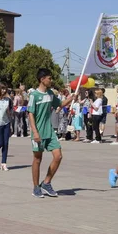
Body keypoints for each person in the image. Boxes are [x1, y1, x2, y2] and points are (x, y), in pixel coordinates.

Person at [28, 68, 74, 198]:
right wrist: (35, 132)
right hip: (38, 132)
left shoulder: (50, 93)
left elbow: (60, 104)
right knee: (37, 159)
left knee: (58, 156)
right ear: (42, 79)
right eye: (49, 78)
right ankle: (36, 187)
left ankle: (46, 182)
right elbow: (30, 114)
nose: (51, 80)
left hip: (50, 131)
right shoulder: (34, 95)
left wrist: (71, 98)